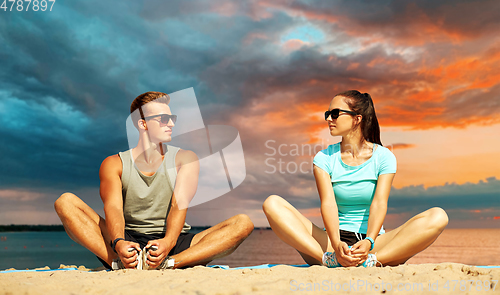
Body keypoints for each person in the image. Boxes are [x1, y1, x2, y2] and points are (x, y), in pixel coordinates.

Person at [55, 91, 253, 270]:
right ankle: (115, 262)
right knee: (65, 202)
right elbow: (113, 208)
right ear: (143, 124)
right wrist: (118, 242)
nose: (172, 124)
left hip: (173, 241)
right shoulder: (114, 163)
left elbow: (179, 205)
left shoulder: (186, 159)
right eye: (164, 119)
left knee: (243, 223)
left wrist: (168, 242)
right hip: (127, 241)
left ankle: (171, 264)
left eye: (172, 118)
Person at [262, 90, 448, 267]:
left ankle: (373, 262)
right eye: (327, 113)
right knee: (272, 204)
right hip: (330, 244)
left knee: (438, 216)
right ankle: (327, 260)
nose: (328, 119)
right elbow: (328, 204)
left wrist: (369, 241)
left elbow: (379, 203)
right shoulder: (324, 158)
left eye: (335, 113)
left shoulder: (384, 156)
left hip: (373, 245)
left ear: (357, 119)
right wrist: (335, 244)